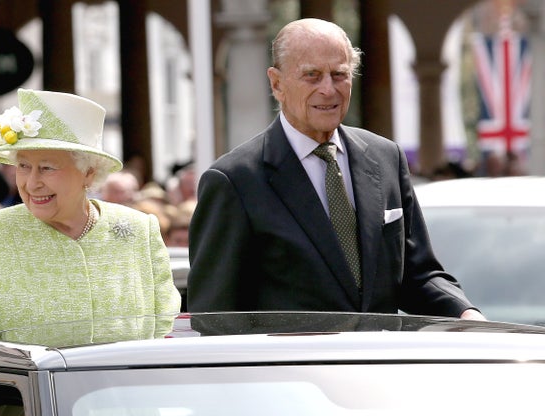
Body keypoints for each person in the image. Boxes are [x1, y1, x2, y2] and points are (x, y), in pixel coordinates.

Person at [187, 18, 485, 321]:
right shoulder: (235, 181)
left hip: (381, 364)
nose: (328, 90)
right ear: (277, 84)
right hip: (289, 367)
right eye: (312, 76)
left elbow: (418, 274)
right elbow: (215, 316)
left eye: (339, 74)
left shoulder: (385, 159)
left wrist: (465, 313)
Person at [0, 88, 181, 344]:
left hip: (124, 399)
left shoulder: (138, 229)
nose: (31, 184)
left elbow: (163, 330)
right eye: (23, 166)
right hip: (33, 401)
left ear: (89, 172)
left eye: (46, 168)